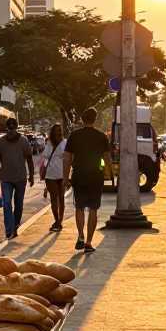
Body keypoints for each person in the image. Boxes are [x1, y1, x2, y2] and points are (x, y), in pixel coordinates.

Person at [63, 107, 113, 253]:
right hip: (95, 176)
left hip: (79, 175)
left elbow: (67, 158)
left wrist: (66, 178)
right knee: (93, 209)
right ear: (95, 119)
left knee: (79, 207)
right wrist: (109, 174)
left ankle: (80, 235)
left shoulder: (74, 135)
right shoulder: (101, 136)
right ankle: (89, 242)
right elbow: (107, 157)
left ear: (82, 119)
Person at [0, 117, 34, 239]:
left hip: (20, 178)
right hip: (5, 179)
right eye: (8, 129)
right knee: (6, 204)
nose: (10, 132)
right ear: (6, 129)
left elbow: (30, 160)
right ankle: (8, 230)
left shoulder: (24, 141)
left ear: (16, 128)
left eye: (13, 129)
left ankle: (15, 225)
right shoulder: (1, 142)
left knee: (19, 204)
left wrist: (31, 176)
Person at [40, 122, 67, 232]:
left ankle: (60, 221)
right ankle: (57, 220)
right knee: (54, 199)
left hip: (62, 175)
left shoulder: (66, 143)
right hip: (50, 175)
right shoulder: (49, 144)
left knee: (61, 198)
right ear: (53, 133)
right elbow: (46, 158)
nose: (60, 133)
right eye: (57, 131)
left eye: (61, 130)